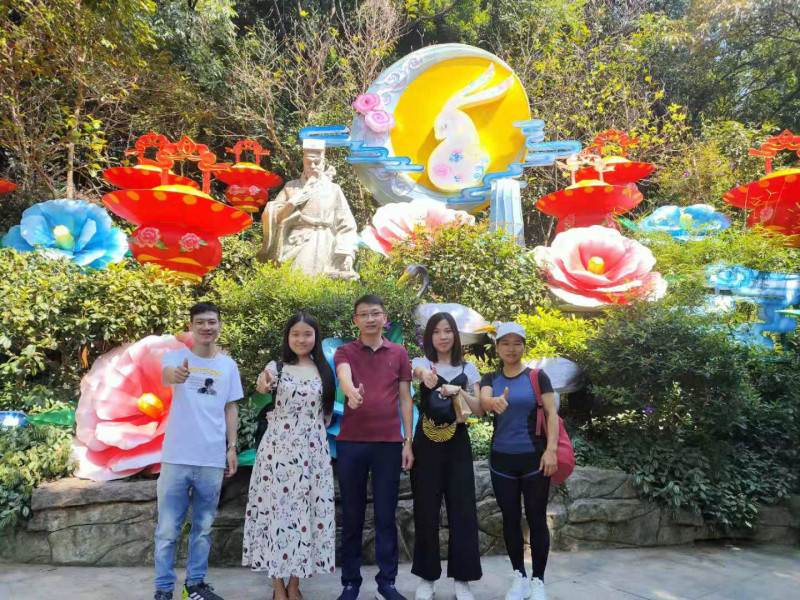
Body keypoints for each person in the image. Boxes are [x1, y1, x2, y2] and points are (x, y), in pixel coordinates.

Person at [243, 311, 337, 600]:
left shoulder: (325, 372)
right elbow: (263, 384)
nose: (301, 339)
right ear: (287, 337)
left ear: (315, 337)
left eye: (307, 334)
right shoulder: (277, 368)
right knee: (275, 514)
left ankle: (294, 585)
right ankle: (277, 587)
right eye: (295, 334)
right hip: (277, 453)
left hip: (312, 455)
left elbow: (326, 414)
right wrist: (263, 384)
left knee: (307, 514)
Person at [154, 302, 243, 600]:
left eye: (212, 322)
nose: (207, 327)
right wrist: (177, 375)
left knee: (203, 529)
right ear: (191, 326)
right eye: (201, 322)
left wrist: (232, 447)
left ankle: (194, 585)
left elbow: (231, 407)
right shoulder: (176, 358)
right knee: (167, 529)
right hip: (176, 458)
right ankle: (163, 589)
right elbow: (167, 375)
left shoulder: (228, 366)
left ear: (219, 326)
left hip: (211, 459)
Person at [333, 294, 414, 600]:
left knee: (385, 516)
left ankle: (386, 583)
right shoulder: (345, 351)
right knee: (352, 516)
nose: (370, 319)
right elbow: (343, 376)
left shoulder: (399, 352)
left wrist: (408, 441)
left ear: (384, 318)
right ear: (355, 320)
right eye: (364, 314)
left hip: (389, 445)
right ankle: (350, 582)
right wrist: (351, 392)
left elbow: (405, 398)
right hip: (351, 444)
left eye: (375, 313)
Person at [479, 323, 559, 600]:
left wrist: (551, 450)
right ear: (497, 347)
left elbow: (552, 414)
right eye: (505, 343)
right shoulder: (490, 378)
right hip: (501, 461)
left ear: (524, 346)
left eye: (517, 343)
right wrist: (493, 403)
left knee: (536, 518)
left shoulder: (537, 377)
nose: (511, 349)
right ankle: (519, 577)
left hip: (535, 460)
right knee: (510, 519)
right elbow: (483, 402)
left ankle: (538, 580)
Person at [410, 312, 484, 600]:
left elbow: (479, 409)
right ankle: (427, 578)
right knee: (426, 510)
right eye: (436, 331)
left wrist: (460, 391)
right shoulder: (421, 363)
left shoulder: (469, 368)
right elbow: (415, 371)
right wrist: (424, 374)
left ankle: (462, 579)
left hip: (458, 445)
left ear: (455, 334)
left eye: (447, 330)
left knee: (463, 510)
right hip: (426, 445)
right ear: (429, 337)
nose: (442, 336)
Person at [257, 138, 358, 280]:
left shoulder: (333, 189)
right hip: (297, 241)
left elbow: (347, 225)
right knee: (296, 282)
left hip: (326, 244)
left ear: (323, 163)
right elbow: (273, 215)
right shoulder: (291, 187)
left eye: (317, 163)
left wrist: (346, 252)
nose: (312, 166)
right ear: (303, 163)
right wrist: (293, 202)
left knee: (324, 286)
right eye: (308, 163)